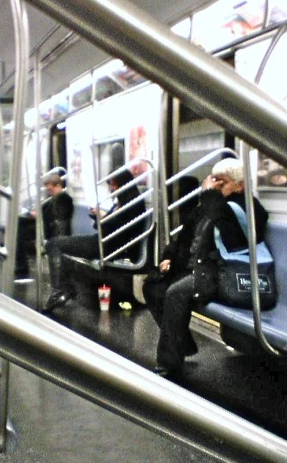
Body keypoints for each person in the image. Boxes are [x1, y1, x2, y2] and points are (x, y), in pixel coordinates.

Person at [143, 158, 268, 378]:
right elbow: (184, 235)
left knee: (176, 293)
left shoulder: (247, 207)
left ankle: (168, 363)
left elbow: (233, 237)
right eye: (216, 182)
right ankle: (183, 345)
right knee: (152, 286)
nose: (218, 187)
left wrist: (211, 195)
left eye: (224, 183)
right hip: (196, 268)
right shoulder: (209, 206)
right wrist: (169, 256)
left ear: (240, 185)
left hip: (220, 271)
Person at [43, 168, 146, 312]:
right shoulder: (122, 203)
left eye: (113, 184)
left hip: (107, 246)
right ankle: (64, 288)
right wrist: (99, 216)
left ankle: (60, 290)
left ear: (123, 184)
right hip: (102, 242)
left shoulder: (133, 204)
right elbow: (112, 225)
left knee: (54, 244)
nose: (111, 188)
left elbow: (119, 229)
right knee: (56, 243)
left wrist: (103, 218)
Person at [15, 168, 73, 278]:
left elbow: (58, 216)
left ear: (58, 186)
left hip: (52, 229)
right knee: (20, 223)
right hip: (46, 225)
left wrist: (39, 215)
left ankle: (21, 266)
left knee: (21, 229)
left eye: (51, 190)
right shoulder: (53, 200)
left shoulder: (64, 199)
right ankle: (20, 265)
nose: (49, 192)